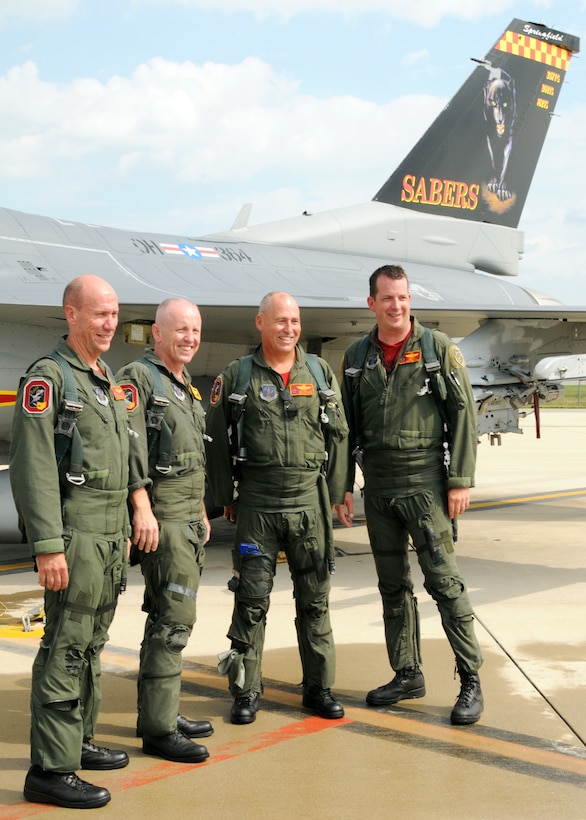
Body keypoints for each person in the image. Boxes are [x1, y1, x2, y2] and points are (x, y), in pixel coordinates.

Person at [335, 265, 484, 725]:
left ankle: (471, 678)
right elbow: (346, 427)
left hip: (424, 483)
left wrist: (459, 479)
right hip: (377, 486)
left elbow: (463, 414)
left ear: (408, 300)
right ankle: (407, 673)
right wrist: (342, 484)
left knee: (444, 583)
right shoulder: (357, 356)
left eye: (402, 297)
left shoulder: (437, 349)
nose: (396, 306)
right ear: (372, 304)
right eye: (387, 298)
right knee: (392, 586)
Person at [9, 274, 131, 810]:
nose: (109, 324)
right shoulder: (49, 379)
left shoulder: (101, 378)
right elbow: (32, 466)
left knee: (92, 644)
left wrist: (125, 528)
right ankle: (50, 770)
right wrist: (48, 545)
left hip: (108, 536)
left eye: (114, 314)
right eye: (99, 313)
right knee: (66, 645)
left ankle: (76, 740)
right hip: (75, 536)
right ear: (71, 315)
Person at [205, 291, 350, 724]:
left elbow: (339, 434)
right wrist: (226, 496)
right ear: (261, 323)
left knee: (315, 602)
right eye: (280, 321)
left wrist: (338, 491)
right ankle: (246, 690)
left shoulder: (320, 372)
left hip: (309, 502)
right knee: (251, 601)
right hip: (258, 505)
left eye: (294, 321)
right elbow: (214, 438)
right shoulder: (237, 375)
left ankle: (319, 688)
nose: (289, 329)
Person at [116, 298, 211, 764]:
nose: (190, 338)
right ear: (157, 333)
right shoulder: (139, 378)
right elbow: (129, 449)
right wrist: (141, 507)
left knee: (170, 617)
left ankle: (163, 713)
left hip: (187, 518)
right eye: (181, 330)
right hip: (165, 521)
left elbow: (190, 456)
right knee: (173, 621)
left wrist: (201, 509)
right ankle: (158, 730)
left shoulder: (185, 386)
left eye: (194, 330)